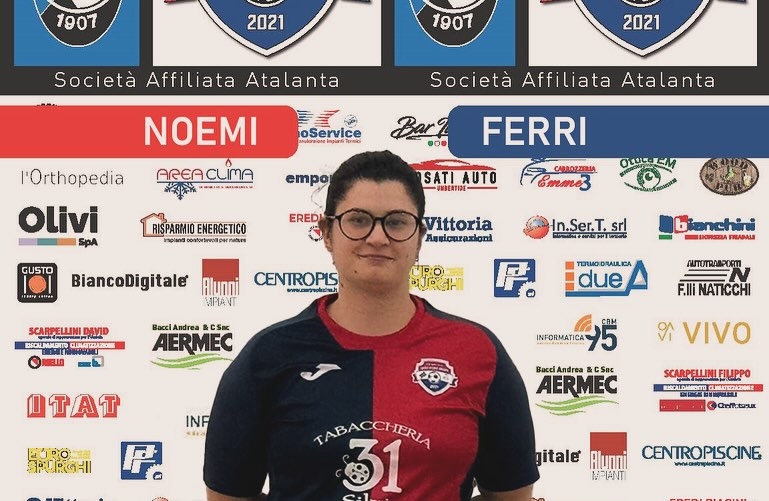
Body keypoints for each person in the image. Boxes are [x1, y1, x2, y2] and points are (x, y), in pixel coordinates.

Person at [203, 150, 540, 501]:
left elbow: (512, 496)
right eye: (358, 220)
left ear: (419, 237)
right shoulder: (268, 355)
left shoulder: (476, 351)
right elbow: (227, 496)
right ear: (327, 233)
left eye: (396, 222)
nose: (377, 237)